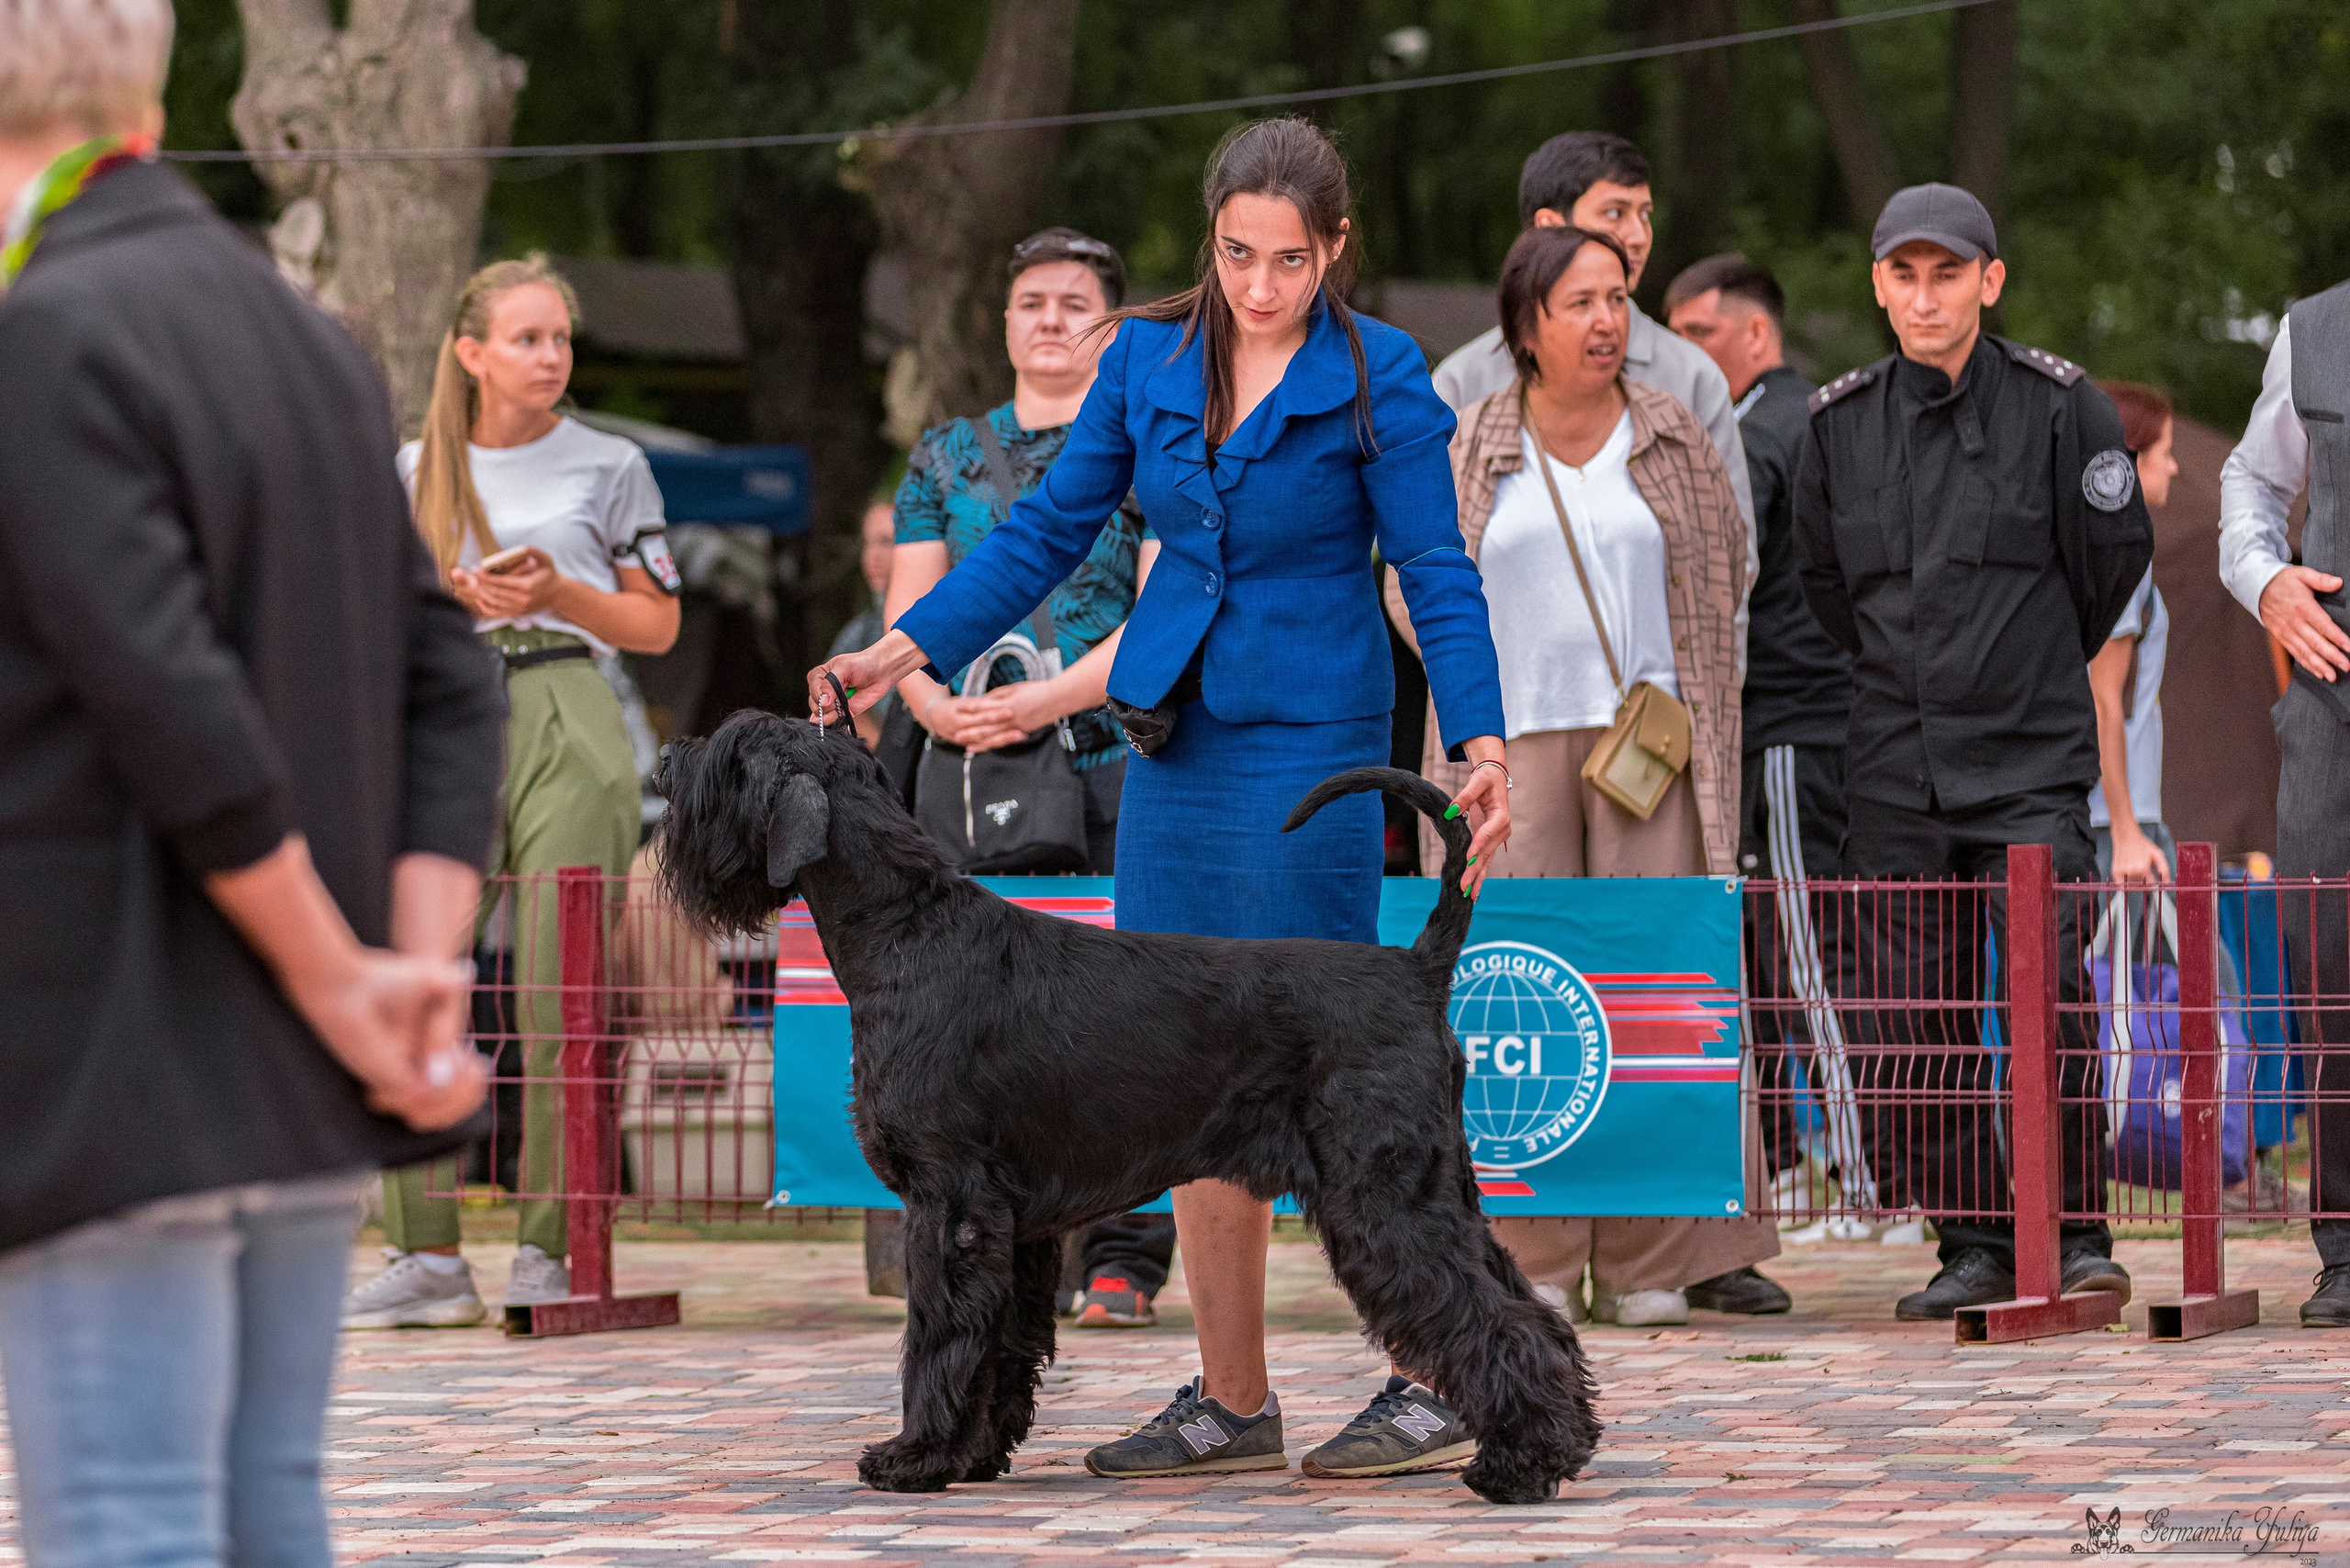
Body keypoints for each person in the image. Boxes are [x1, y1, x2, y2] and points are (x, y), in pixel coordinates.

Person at [817, 117, 1511, 1482]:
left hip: (1315, 737)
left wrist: (1478, 738)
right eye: (1239, 254)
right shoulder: (1145, 357)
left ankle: (1436, 1380)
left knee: (1333, 1065)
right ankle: (1232, 1399)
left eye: (1290, 260)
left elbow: (1434, 564)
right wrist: (902, 651)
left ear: (1336, 248)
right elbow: (1044, 531)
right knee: (1185, 1067)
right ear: (1211, 239)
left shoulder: (1379, 371)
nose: (1260, 285)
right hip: (1177, 742)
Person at [0, 1, 502, 1559]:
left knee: (128, 1522)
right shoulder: (306, 336)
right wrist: (412, 972)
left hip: (118, 1049)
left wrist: (346, 982)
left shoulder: (45, 335)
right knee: (265, 1501)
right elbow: (451, 671)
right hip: (301, 1074)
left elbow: (171, 703)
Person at [1390, 225, 1784, 1328]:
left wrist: (1686, 694)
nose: (1607, 321)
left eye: (1616, 298)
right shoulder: (1469, 436)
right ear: (1526, 324)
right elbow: (1410, 584)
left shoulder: (1670, 429)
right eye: (1580, 302)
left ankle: (1655, 1255)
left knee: (1659, 982)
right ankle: (1533, 1250)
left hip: (1646, 750)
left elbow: (1725, 567)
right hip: (1501, 749)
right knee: (1516, 987)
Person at [1794, 184, 2154, 1320]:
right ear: (1876, 285)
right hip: (1892, 771)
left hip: (2028, 763)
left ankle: (2076, 1231)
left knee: (2049, 999)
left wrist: (2020, 664)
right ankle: (1973, 1242)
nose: (1924, 297)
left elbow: (2109, 566)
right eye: (1903, 275)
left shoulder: (2062, 408)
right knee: (1912, 1015)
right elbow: (1826, 592)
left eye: (1946, 273)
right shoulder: (1836, 426)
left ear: (1989, 281)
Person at [343, 255, 683, 1330]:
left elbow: (658, 623)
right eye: (528, 339)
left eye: (561, 338)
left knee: (557, 987)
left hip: (565, 698)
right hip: (443, 708)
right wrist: (441, 601)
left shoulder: (612, 462)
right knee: (418, 970)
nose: (551, 357)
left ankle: (556, 1244)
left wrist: (560, 590)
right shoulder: (411, 469)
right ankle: (424, 1252)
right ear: (471, 353)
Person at [885, 227, 1176, 1329]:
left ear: (1113, 326)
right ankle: (999, 1248)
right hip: (973, 767)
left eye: (1075, 303)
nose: (1050, 320)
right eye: (1031, 303)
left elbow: (1162, 612)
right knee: (979, 1017)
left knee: (1123, 1010)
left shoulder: (1146, 442)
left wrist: (1049, 699)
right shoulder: (942, 457)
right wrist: (933, 707)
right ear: (1004, 322)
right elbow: (910, 615)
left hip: (1110, 757)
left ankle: (1125, 1254)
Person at [1665, 253, 1881, 1245]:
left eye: (1698, 333)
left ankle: (1869, 1181)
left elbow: (1714, 577)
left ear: (1756, 335)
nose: (1680, 354)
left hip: (1793, 726)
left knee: (1809, 954)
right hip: (1834, 724)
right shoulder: (1832, 416)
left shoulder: (1757, 431)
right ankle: (1802, 1165)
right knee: (1791, 952)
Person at [2217, 276, 2350, 1327]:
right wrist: (2265, 579)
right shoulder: (2314, 330)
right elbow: (2251, 481)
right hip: (2335, 698)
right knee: (2329, 964)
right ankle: (2346, 1246)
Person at [1430, 132, 1755, 550]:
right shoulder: (1462, 382)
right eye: (1615, 213)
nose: (1638, 236)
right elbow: (1425, 554)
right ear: (1548, 228)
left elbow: (1734, 551)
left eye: (1645, 214)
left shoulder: (1692, 377)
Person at [2087, 382, 2180, 887]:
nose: (2174, 468)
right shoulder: (2123, 555)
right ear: (2133, 460)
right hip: (2117, 822)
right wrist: (2125, 830)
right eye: (2165, 452)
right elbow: (2104, 698)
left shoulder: (2094, 547)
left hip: (2110, 813)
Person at [829, 496, 899, 749]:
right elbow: (830, 705)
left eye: (886, 542)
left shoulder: (951, 623)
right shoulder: (859, 632)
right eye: (867, 544)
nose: (872, 556)